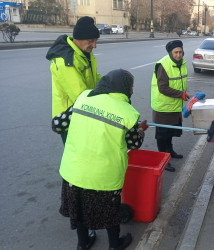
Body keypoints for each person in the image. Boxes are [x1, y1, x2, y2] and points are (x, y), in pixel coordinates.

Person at [52, 69, 147, 250]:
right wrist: (140, 130)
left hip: (74, 172)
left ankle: (83, 243)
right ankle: (114, 245)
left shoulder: (84, 98)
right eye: (131, 87)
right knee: (110, 211)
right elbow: (134, 144)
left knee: (79, 209)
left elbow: (57, 125)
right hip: (103, 177)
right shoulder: (127, 113)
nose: (133, 91)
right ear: (124, 88)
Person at [46, 16, 102, 144]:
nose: (95, 45)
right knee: (76, 159)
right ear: (79, 39)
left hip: (83, 112)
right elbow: (80, 95)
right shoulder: (66, 60)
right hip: (70, 117)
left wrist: (109, 85)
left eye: (95, 40)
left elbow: (94, 77)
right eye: (91, 41)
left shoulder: (83, 52)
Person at [151, 40, 189, 172]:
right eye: (176, 52)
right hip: (163, 107)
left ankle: (170, 152)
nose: (179, 55)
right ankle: (163, 160)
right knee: (162, 135)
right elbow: (162, 88)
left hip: (175, 106)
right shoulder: (163, 65)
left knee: (170, 133)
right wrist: (181, 94)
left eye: (180, 52)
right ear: (170, 53)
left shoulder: (182, 63)